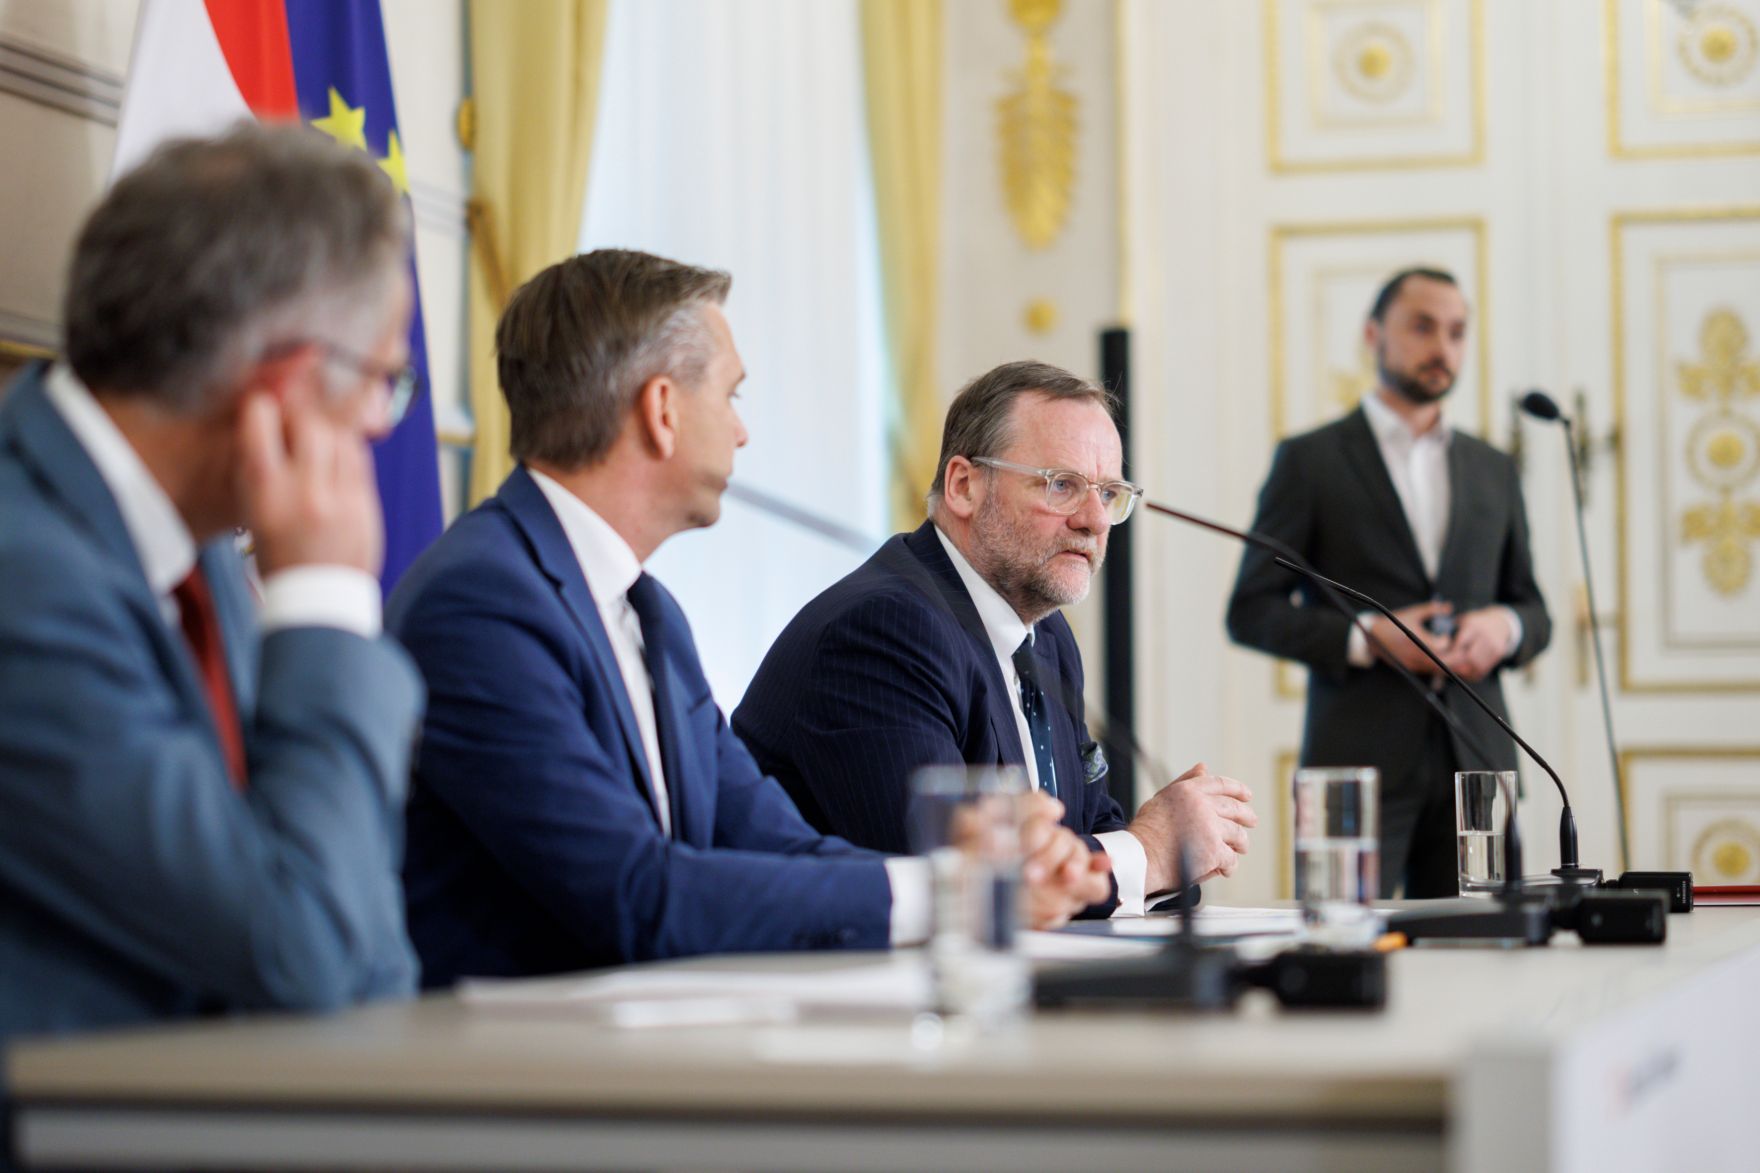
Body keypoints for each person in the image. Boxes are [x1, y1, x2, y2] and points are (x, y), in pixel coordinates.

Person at [388, 250, 1108, 987]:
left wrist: (977, 871)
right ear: (661, 411)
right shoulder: (482, 601)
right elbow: (638, 893)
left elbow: (776, 844)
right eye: (731, 396)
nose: (742, 432)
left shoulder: (651, 612)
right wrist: (951, 893)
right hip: (509, 1079)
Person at [0, 126, 425, 1067]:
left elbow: (367, 951)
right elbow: (300, 940)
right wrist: (323, 596)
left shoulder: (201, 566)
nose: (377, 424)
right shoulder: (23, 580)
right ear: (285, 387)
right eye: (385, 380)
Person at [734, 361, 1259, 917]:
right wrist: (1150, 851)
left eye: (1108, 493)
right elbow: (956, 880)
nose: (1094, 521)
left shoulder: (1047, 636)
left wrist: (1166, 846)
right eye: (1062, 485)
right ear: (964, 486)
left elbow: (1086, 824)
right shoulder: (883, 630)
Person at [1226, 267, 1551, 898]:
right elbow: (1251, 609)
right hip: (1352, 768)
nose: (1443, 348)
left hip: (1480, 763)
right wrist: (1370, 637)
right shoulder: (1310, 460)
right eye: (1423, 326)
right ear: (1374, 334)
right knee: (1340, 961)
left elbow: (1533, 608)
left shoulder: (1494, 468)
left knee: (1485, 963)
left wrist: (1504, 628)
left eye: (1457, 332)